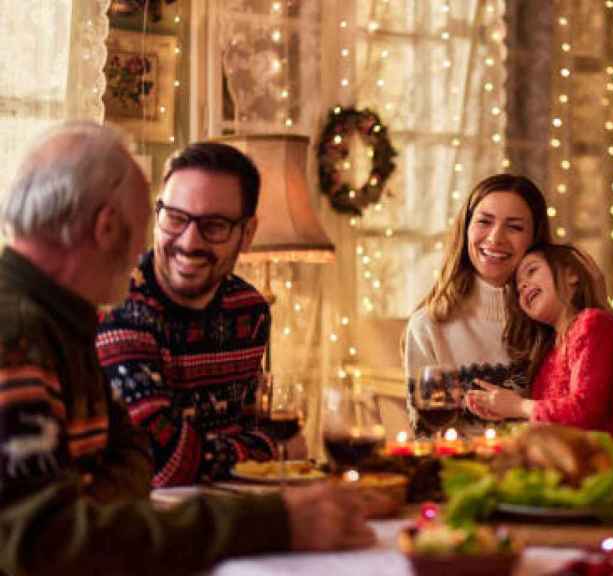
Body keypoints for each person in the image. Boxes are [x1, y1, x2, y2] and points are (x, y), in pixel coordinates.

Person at [0, 122, 375, 575]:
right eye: (158, 222)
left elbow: (132, 452)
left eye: (214, 225)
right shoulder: (18, 335)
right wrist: (274, 522)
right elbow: (45, 543)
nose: (153, 249)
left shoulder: (62, 323)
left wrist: (91, 506)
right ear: (107, 227)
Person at [96, 141, 275, 487]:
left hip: (233, 512)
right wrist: (267, 449)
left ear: (247, 234)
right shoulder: (119, 306)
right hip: (145, 525)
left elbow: (254, 426)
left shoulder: (250, 310)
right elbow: (162, 463)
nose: (190, 242)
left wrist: (254, 446)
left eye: (215, 225)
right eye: (175, 219)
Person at [404, 173, 551, 436]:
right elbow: (426, 435)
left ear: (535, 239)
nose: (495, 238)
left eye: (515, 227)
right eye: (484, 221)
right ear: (466, 229)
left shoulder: (553, 319)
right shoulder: (428, 325)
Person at [465, 243, 613, 443]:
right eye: (519, 288)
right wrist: (507, 411)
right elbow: (553, 423)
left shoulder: (594, 323)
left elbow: (585, 411)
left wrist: (518, 407)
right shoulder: (548, 352)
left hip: (596, 466)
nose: (523, 285)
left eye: (532, 270)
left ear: (571, 274)